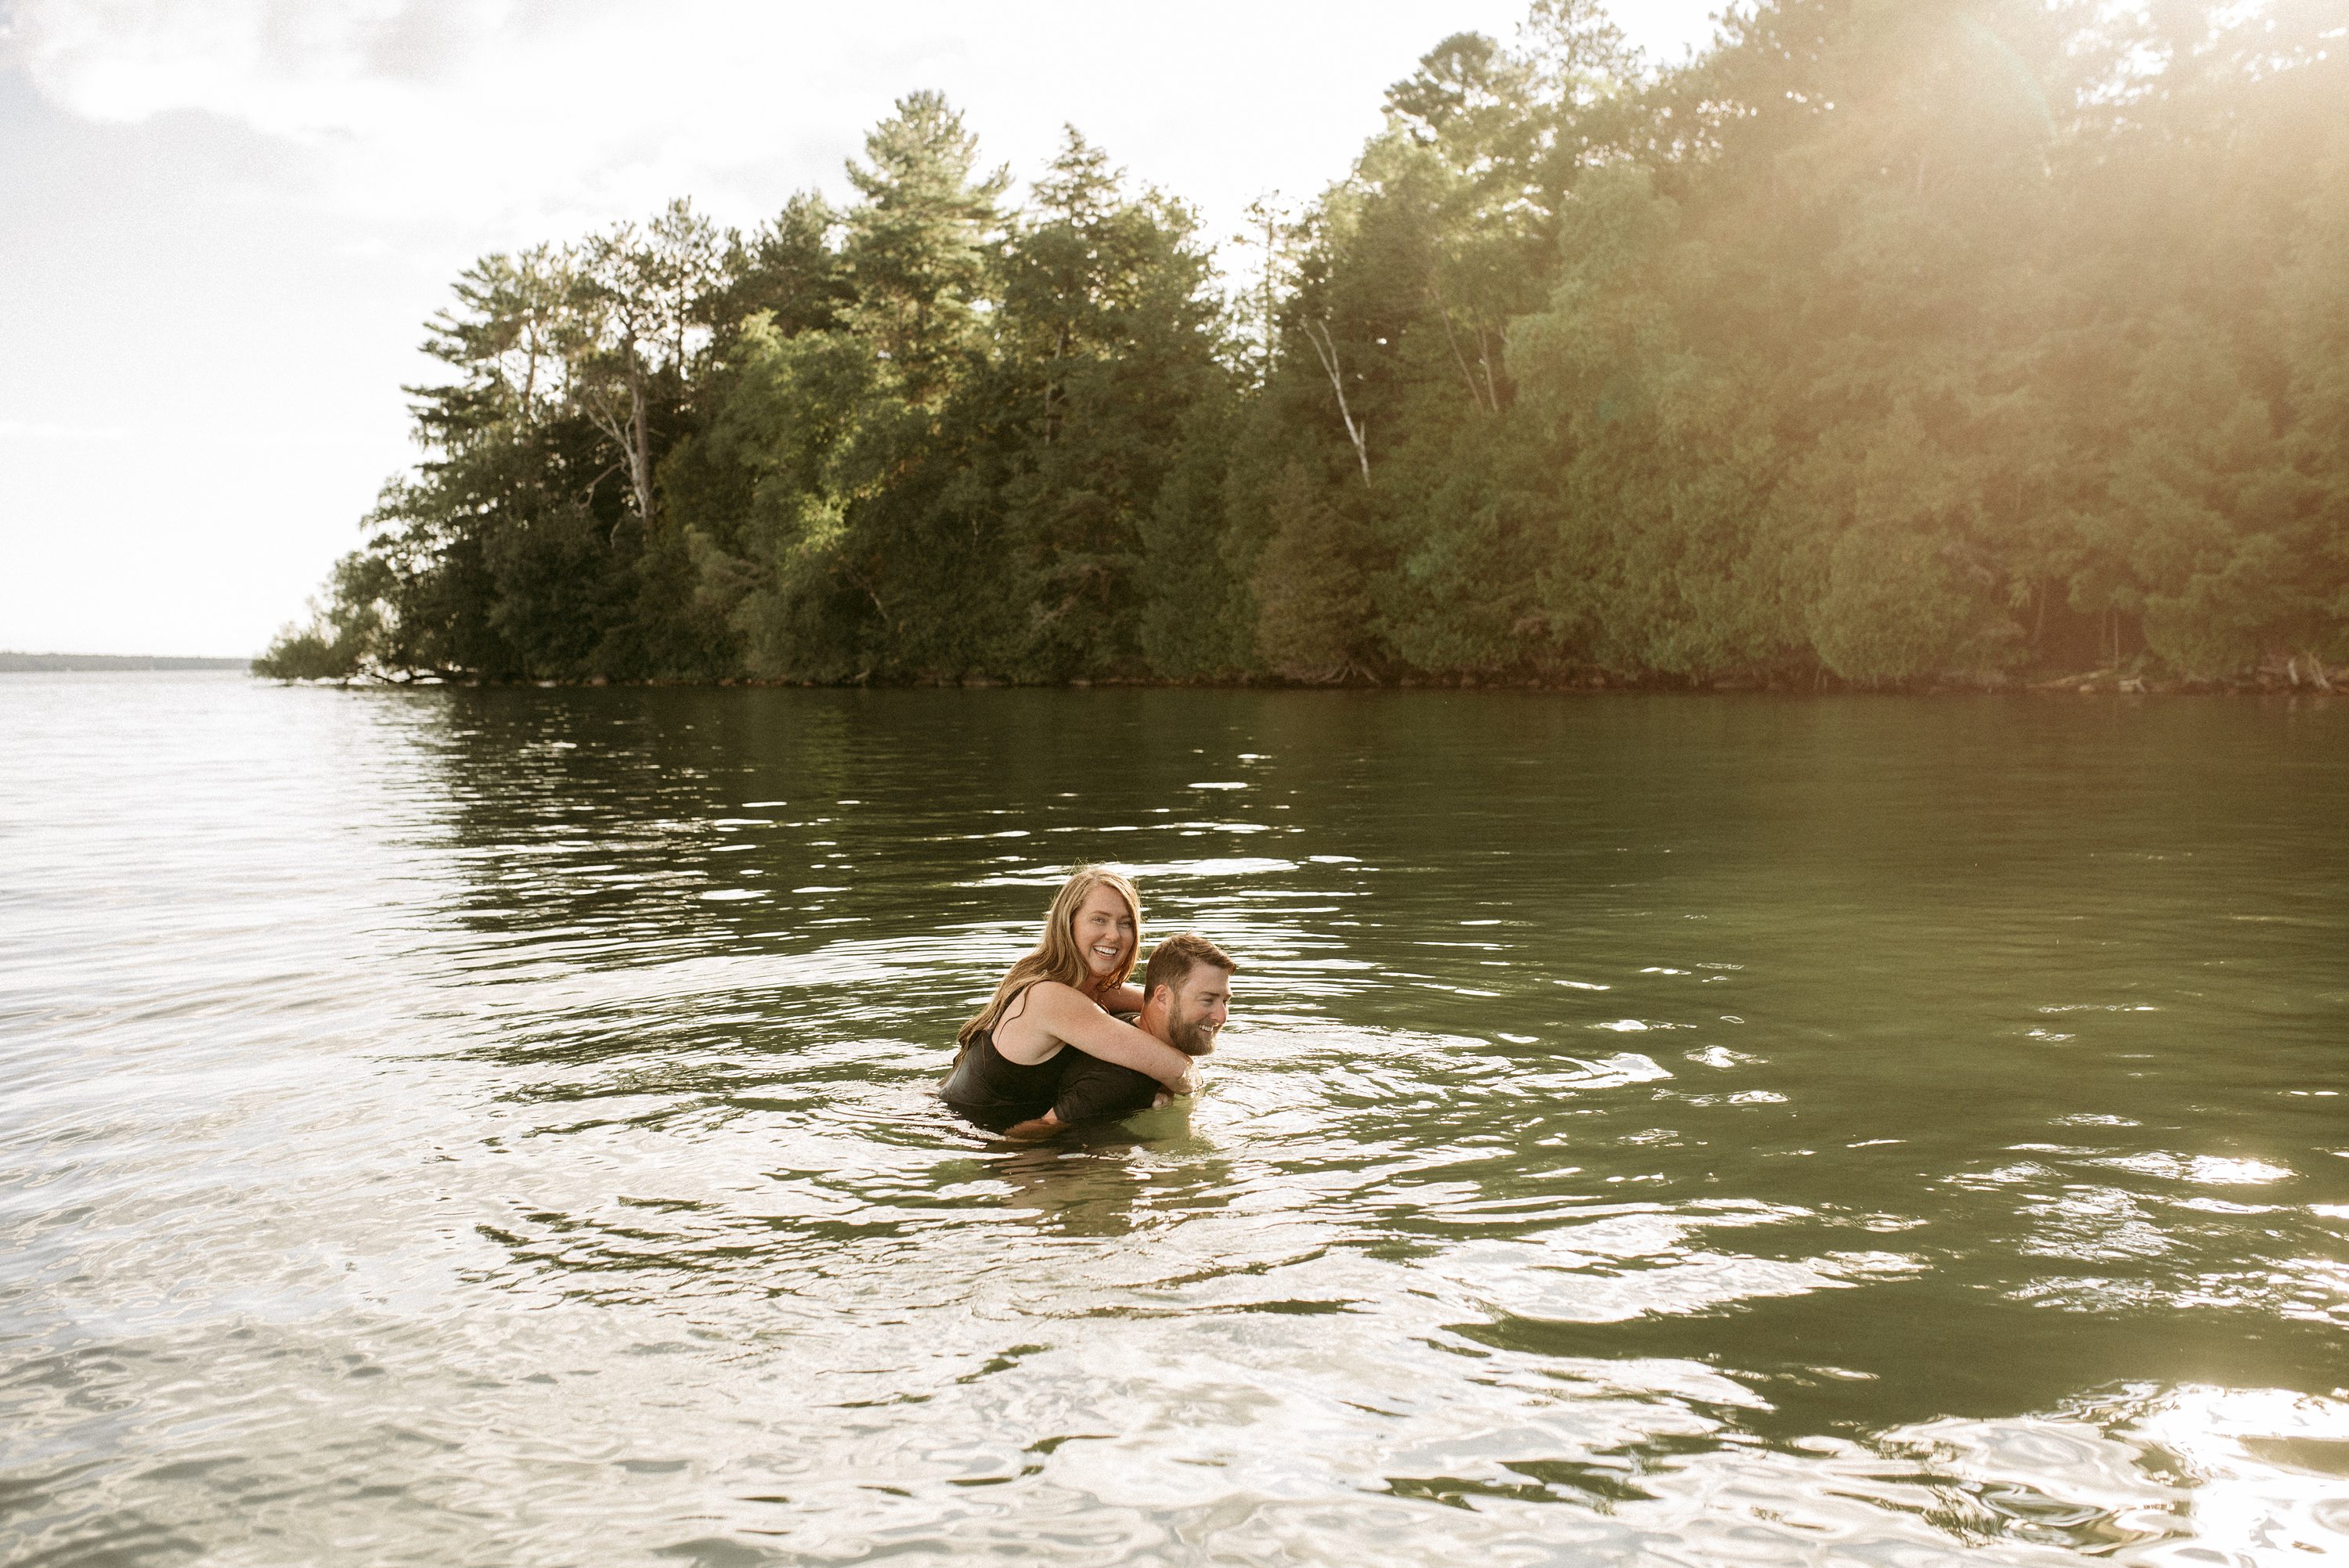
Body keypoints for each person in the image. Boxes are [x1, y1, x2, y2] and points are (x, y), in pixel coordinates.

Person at [940, 867, 1196, 1130]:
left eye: (1125, 923)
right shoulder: (1050, 997)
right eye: (1099, 920)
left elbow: (1166, 1008)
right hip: (989, 1143)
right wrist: (1166, 1085)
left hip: (988, 1127)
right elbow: (1178, 1071)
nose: (1114, 935)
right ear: (1068, 923)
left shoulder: (1078, 985)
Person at [1004, 932, 1236, 1140]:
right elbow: (1031, 1134)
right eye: (1207, 1000)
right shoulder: (1121, 1083)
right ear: (1163, 998)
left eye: (1225, 1001)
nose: (1222, 1016)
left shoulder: (1126, 1018)